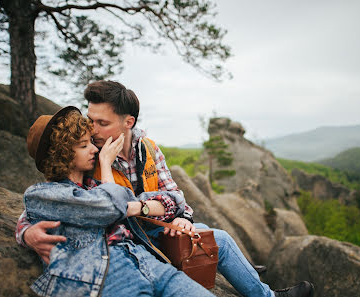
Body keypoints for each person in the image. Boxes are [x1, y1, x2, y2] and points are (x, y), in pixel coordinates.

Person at [17, 81, 314, 297]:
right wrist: (26, 232)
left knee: (215, 238)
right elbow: (52, 201)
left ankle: (268, 296)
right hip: (129, 240)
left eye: (101, 122)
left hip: (153, 228)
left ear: (127, 122)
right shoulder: (87, 155)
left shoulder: (147, 148)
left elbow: (175, 195)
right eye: (90, 120)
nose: (92, 129)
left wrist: (177, 215)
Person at [23, 106, 215, 297]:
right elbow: (109, 207)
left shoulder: (95, 185)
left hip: (144, 260)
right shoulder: (43, 195)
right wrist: (106, 166)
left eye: (91, 142)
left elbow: (175, 200)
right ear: (61, 155)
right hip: (108, 273)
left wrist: (140, 206)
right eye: (83, 145)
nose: (94, 149)